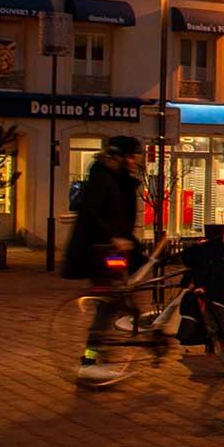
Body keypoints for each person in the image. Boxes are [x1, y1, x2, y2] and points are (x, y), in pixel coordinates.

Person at [61, 136, 146, 383]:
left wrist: (132, 246)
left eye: (135, 157)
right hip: (99, 251)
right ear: (115, 156)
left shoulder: (119, 180)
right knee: (108, 301)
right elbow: (91, 214)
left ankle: (101, 354)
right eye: (129, 157)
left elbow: (119, 219)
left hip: (113, 250)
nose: (133, 162)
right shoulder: (101, 179)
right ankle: (89, 361)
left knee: (120, 298)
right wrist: (115, 238)